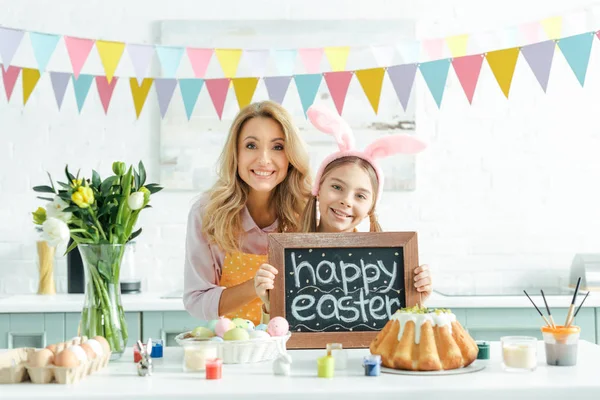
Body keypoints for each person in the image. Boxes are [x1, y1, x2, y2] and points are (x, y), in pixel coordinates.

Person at [255, 103, 433, 312]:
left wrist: (416, 300)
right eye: (337, 187)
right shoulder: (287, 254)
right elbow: (278, 335)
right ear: (318, 189)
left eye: (360, 195)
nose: (346, 201)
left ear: (370, 208)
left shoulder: (385, 263)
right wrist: (270, 304)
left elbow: (398, 334)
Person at [183, 100, 312, 326]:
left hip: (294, 349)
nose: (264, 159)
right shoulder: (207, 213)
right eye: (251, 145)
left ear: (291, 155)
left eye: (278, 147)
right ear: (236, 153)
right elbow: (197, 300)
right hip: (231, 348)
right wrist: (254, 286)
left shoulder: (308, 210)